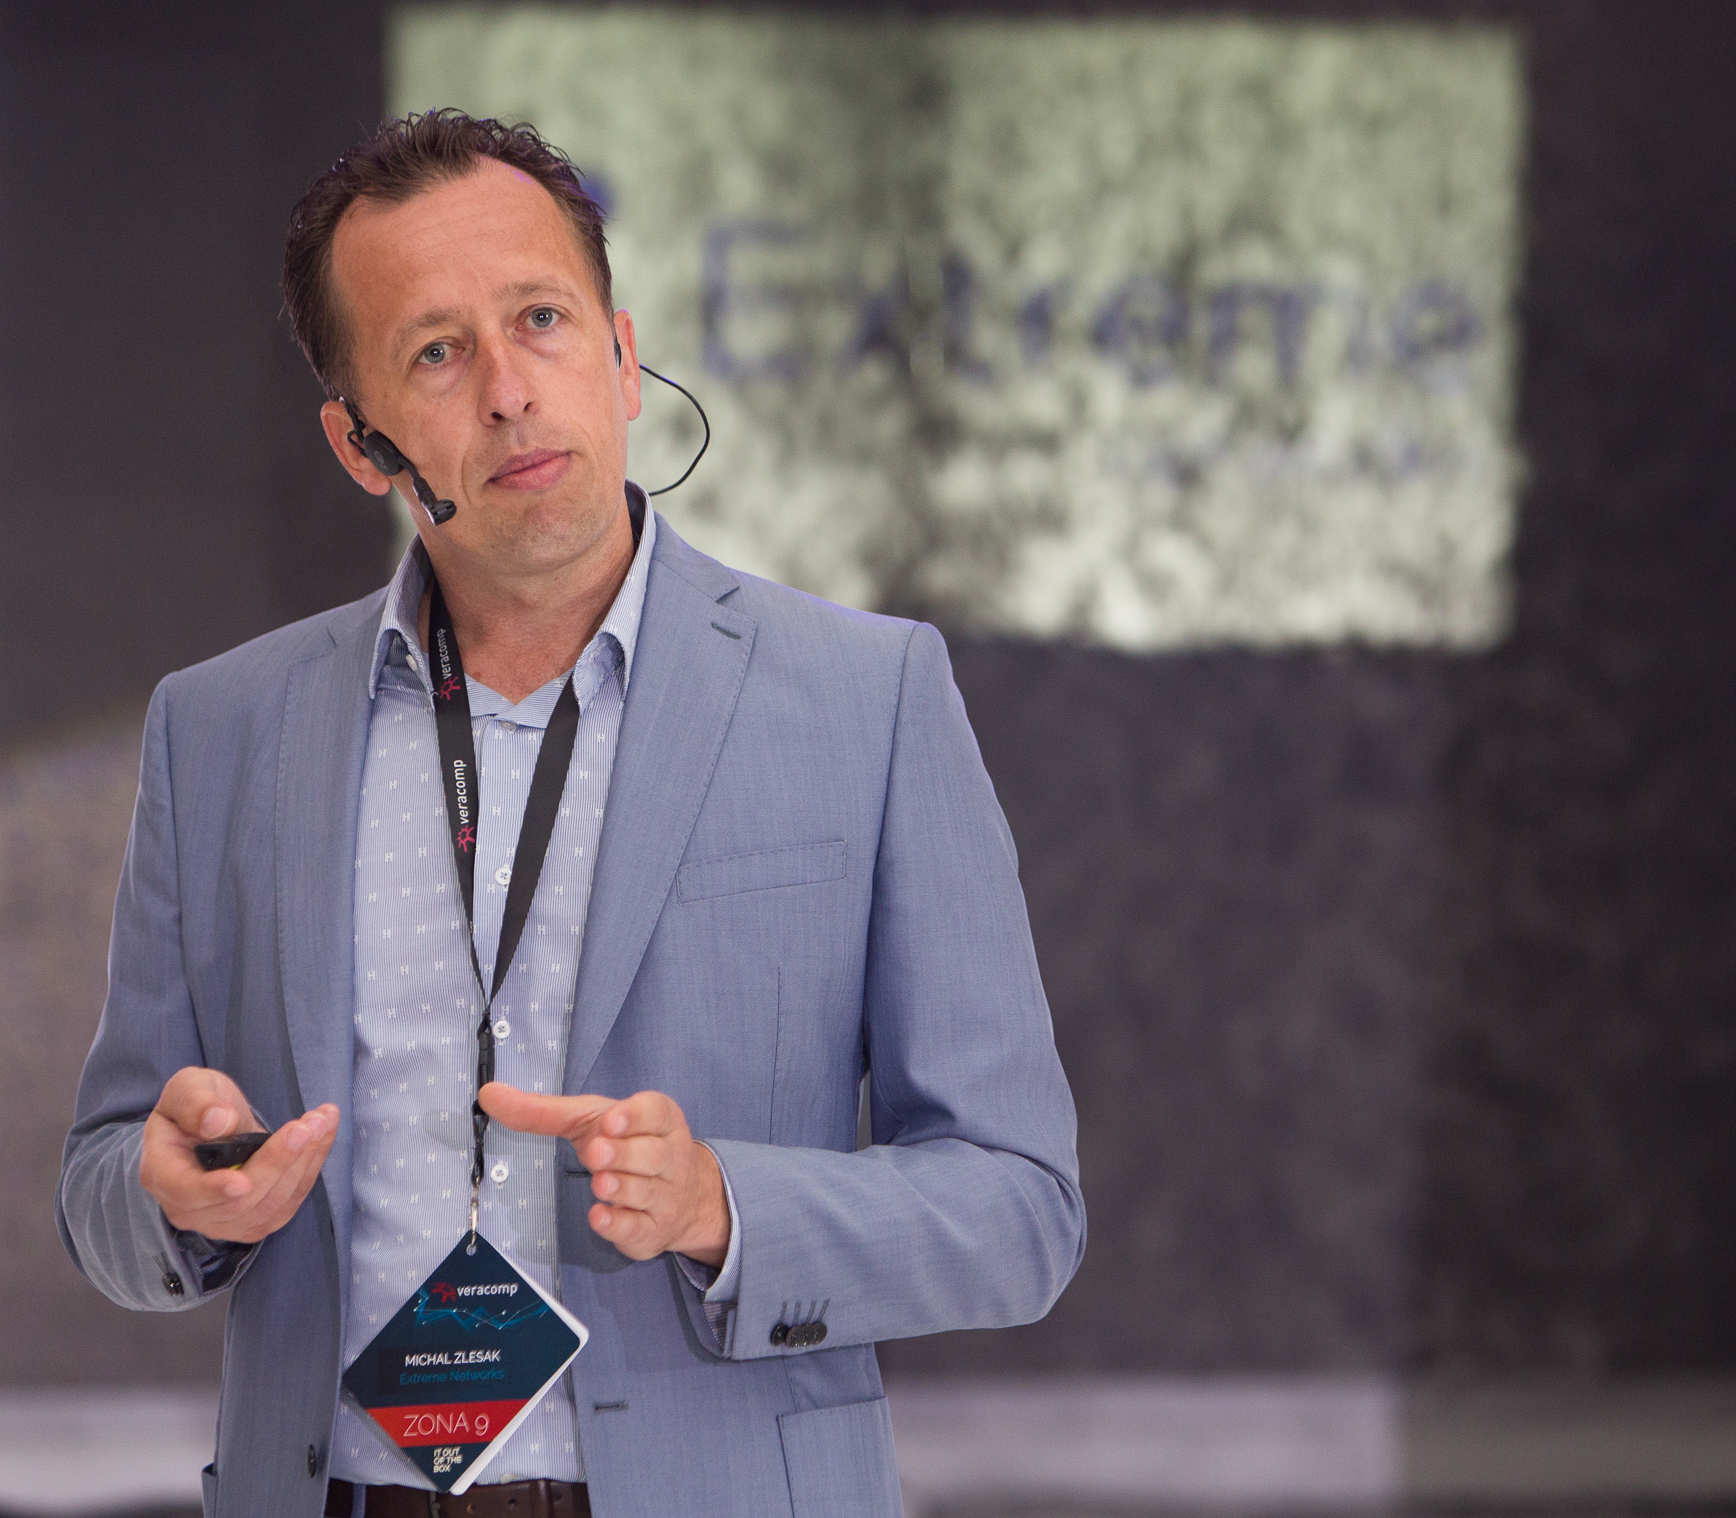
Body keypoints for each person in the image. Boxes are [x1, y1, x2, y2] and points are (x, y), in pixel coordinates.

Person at [57, 111, 1083, 1518]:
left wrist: (723, 1204)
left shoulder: (871, 696)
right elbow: (102, 1184)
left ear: (620, 353)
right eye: (435, 352)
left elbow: (1021, 1208)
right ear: (359, 443)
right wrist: (175, 1198)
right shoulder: (220, 729)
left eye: (541, 320)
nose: (508, 392)